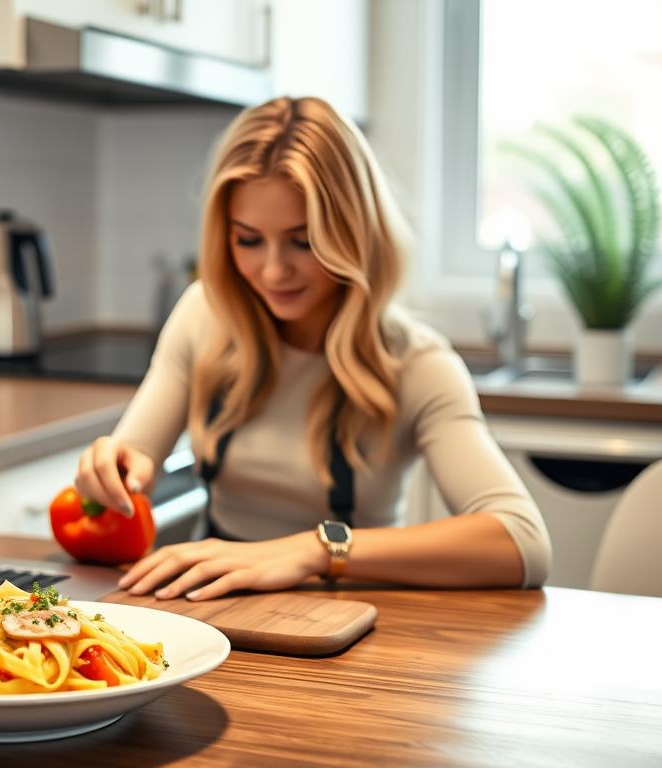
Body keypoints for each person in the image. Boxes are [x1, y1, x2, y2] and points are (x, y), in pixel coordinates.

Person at [75, 96, 552, 601]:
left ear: (355, 236)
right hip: (213, 609)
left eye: (303, 242)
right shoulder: (204, 314)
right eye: (249, 240)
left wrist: (316, 550)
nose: (274, 271)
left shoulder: (419, 365)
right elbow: (133, 466)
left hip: (349, 619)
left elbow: (522, 542)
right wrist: (113, 474)